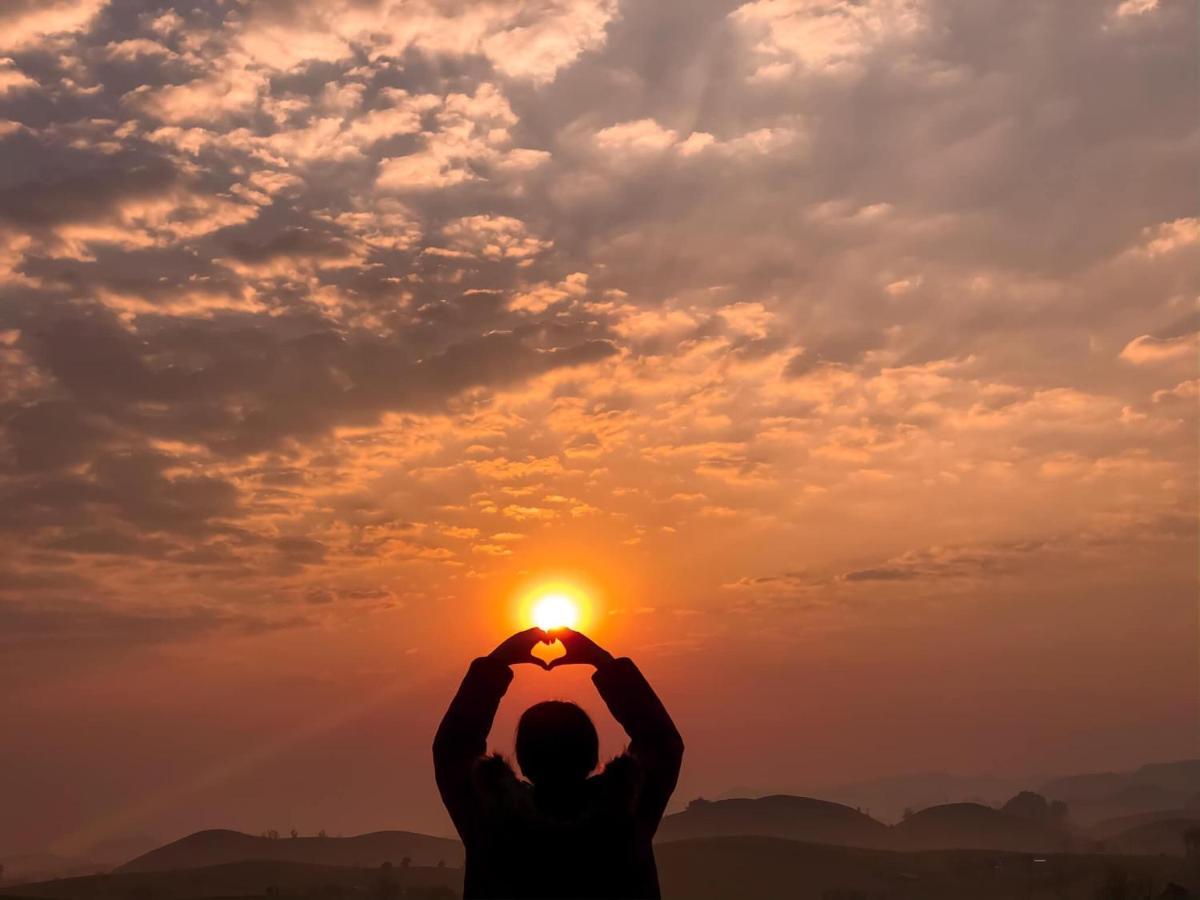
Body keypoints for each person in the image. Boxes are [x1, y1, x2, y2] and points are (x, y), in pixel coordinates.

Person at [433, 627, 684, 899]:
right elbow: (661, 742)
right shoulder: (626, 812)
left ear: (523, 761)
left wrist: (495, 664)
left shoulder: (491, 819)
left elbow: (454, 747)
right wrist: (603, 661)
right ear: (592, 757)